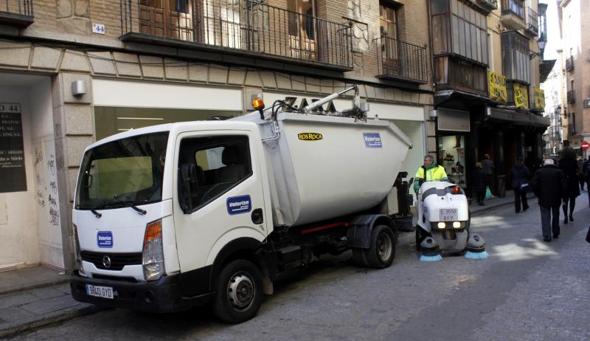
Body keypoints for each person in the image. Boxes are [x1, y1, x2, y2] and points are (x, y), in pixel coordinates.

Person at [531, 157, 565, 242]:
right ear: (553, 164)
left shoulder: (539, 172)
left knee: (545, 217)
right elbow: (564, 186)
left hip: (543, 198)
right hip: (556, 198)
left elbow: (534, 184)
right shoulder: (559, 172)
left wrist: (538, 194)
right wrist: (562, 196)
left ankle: (547, 235)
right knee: (556, 215)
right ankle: (555, 232)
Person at [559, 140, 580, 224]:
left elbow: (559, 172)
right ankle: (571, 214)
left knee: (565, 200)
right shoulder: (574, 161)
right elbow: (578, 170)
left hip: (564, 182)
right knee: (572, 199)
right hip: (573, 181)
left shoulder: (561, 162)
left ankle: (565, 216)